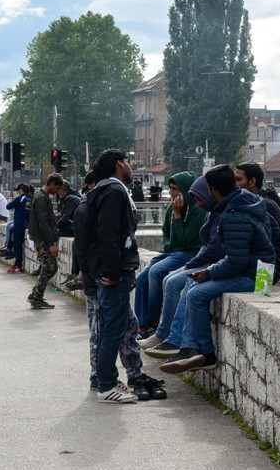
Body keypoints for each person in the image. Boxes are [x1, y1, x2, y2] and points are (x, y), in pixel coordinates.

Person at [159, 165, 277, 374]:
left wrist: (210, 272)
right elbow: (273, 231)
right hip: (262, 270)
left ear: (213, 189)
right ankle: (189, 347)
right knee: (192, 283)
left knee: (196, 294)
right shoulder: (249, 203)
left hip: (258, 277)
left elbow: (236, 262)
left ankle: (206, 354)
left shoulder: (233, 214)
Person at [74, 172, 167, 401]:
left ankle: (132, 373)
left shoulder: (94, 206)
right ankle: (101, 379)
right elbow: (87, 250)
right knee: (103, 331)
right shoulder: (87, 209)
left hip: (108, 277)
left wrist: (125, 271)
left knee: (127, 326)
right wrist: (96, 278)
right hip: (99, 281)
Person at [140, 176, 221, 358]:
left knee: (183, 286)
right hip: (198, 258)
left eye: (176, 189)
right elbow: (170, 239)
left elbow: (188, 243)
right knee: (160, 279)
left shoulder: (204, 212)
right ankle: (165, 334)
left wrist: (210, 269)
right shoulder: (212, 212)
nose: (173, 194)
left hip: (231, 267)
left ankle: (182, 342)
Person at [85, 148, 140, 403]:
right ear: (119, 164)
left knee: (110, 328)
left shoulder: (101, 191)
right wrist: (114, 271)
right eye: (127, 161)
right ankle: (107, 385)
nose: (130, 166)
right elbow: (109, 234)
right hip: (111, 273)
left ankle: (106, 380)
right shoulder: (115, 191)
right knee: (113, 330)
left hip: (105, 270)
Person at [134, 171, 206, 339]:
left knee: (156, 272)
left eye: (176, 189)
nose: (173, 193)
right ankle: (141, 326)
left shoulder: (197, 211)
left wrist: (178, 215)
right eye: (171, 188)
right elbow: (166, 234)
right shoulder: (171, 208)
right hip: (173, 252)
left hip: (189, 253)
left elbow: (185, 240)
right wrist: (169, 243)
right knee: (142, 278)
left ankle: (153, 323)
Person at [234, 162, 280, 283]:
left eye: (238, 180)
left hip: (267, 270)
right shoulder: (253, 203)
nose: (234, 184)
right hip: (255, 264)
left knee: (200, 292)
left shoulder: (263, 205)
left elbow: (265, 248)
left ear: (252, 182)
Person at [27, 175, 62, 309]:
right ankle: (36, 298)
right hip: (43, 240)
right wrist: (51, 244)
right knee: (49, 268)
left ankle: (35, 295)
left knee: (48, 268)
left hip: (41, 239)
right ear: (51, 184)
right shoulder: (42, 199)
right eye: (57, 188)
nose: (57, 191)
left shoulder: (41, 197)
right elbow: (43, 223)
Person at [6, 184, 32, 274]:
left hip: (18, 223)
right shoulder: (29, 199)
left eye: (18, 190)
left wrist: (14, 201)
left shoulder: (20, 198)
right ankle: (18, 264)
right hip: (25, 223)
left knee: (17, 245)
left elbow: (8, 206)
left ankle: (18, 265)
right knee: (19, 245)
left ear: (21, 190)